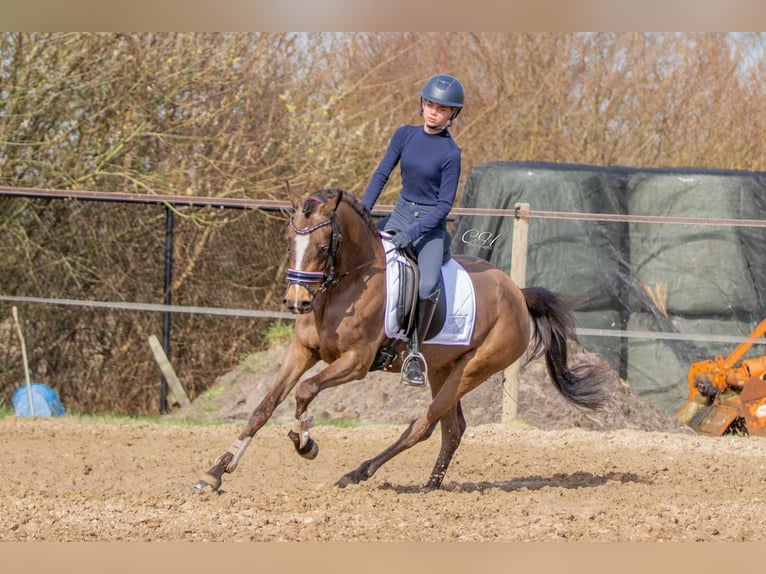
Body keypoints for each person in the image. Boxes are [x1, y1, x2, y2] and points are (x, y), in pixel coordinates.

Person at [362, 73, 464, 386]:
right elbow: (381, 174)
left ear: (452, 114)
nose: (434, 111)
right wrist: (362, 212)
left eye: (442, 108)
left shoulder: (451, 153)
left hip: (429, 225)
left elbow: (444, 206)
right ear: (422, 104)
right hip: (400, 213)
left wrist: (414, 232)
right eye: (430, 104)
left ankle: (413, 353)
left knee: (427, 285)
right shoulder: (404, 135)